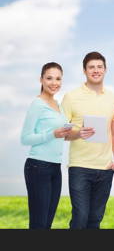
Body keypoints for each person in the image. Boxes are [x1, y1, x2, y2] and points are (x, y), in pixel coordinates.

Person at [61, 51, 114, 229]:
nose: (96, 70)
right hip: (80, 166)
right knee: (80, 217)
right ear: (85, 70)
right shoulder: (71, 97)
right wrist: (79, 133)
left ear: (105, 69)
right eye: (91, 67)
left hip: (105, 168)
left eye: (99, 67)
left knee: (95, 219)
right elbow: (63, 132)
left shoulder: (113, 98)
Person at [21, 62, 71, 229]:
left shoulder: (58, 105)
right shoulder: (37, 104)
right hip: (37, 166)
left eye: (58, 79)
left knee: (47, 223)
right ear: (41, 79)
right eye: (49, 78)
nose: (54, 82)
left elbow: (61, 135)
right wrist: (52, 134)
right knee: (38, 224)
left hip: (55, 167)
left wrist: (77, 133)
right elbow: (25, 138)